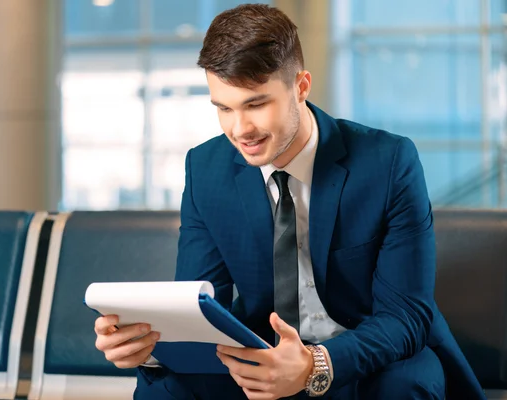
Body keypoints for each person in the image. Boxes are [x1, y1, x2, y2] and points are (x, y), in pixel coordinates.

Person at [94, 4, 485, 399]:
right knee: (164, 388)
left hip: (368, 359)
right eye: (224, 108)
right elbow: (199, 306)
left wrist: (316, 365)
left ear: (301, 86)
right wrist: (149, 347)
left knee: (405, 385)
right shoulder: (206, 169)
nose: (240, 129)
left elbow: (405, 317)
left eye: (256, 104)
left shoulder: (388, 162)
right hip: (263, 356)